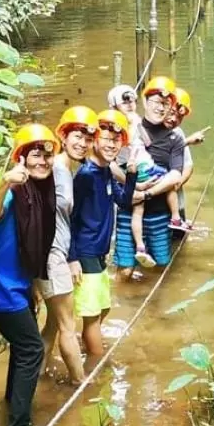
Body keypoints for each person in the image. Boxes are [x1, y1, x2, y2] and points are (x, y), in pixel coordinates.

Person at [0, 123, 61, 426]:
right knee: (32, 347)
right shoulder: (14, 189)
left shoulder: (41, 189)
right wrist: (3, 185)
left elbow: (32, 244)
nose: (42, 162)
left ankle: (13, 401)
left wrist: (32, 287)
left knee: (23, 345)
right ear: (21, 158)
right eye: (35, 155)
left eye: (47, 155)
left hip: (18, 280)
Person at [68, 109, 138, 369]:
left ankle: (87, 346)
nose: (111, 145)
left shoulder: (106, 170)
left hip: (99, 251)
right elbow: (70, 219)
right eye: (105, 139)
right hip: (85, 251)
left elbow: (123, 200)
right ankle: (97, 367)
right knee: (92, 315)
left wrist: (131, 175)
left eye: (116, 141)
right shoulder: (86, 175)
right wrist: (72, 257)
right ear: (94, 140)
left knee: (103, 308)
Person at [40, 106, 97, 384]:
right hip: (50, 256)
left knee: (53, 323)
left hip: (56, 255)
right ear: (63, 136)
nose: (82, 144)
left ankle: (36, 373)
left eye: (87, 139)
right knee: (67, 324)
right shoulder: (50, 168)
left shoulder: (66, 170)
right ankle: (80, 384)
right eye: (77, 136)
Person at [112, 76, 185, 277]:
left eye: (166, 103)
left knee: (160, 267)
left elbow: (176, 175)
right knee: (125, 271)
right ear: (144, 102)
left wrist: (146, 193)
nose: (161, 108)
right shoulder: (127, 129)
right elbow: (107, 161)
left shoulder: (175, 137)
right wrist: (131, 186)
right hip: (128, 210)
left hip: (160, 213)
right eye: (156, 102)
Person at [166, 86, 209, 229]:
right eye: (172, 113)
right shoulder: (148, 130)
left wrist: (177, 185)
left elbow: (188, 166)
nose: (174, 119)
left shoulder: (178, 132)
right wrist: (187, 142)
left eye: (180, 117)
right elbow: (155, 154)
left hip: (175, 197)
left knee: (179, 236)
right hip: (152, 197)